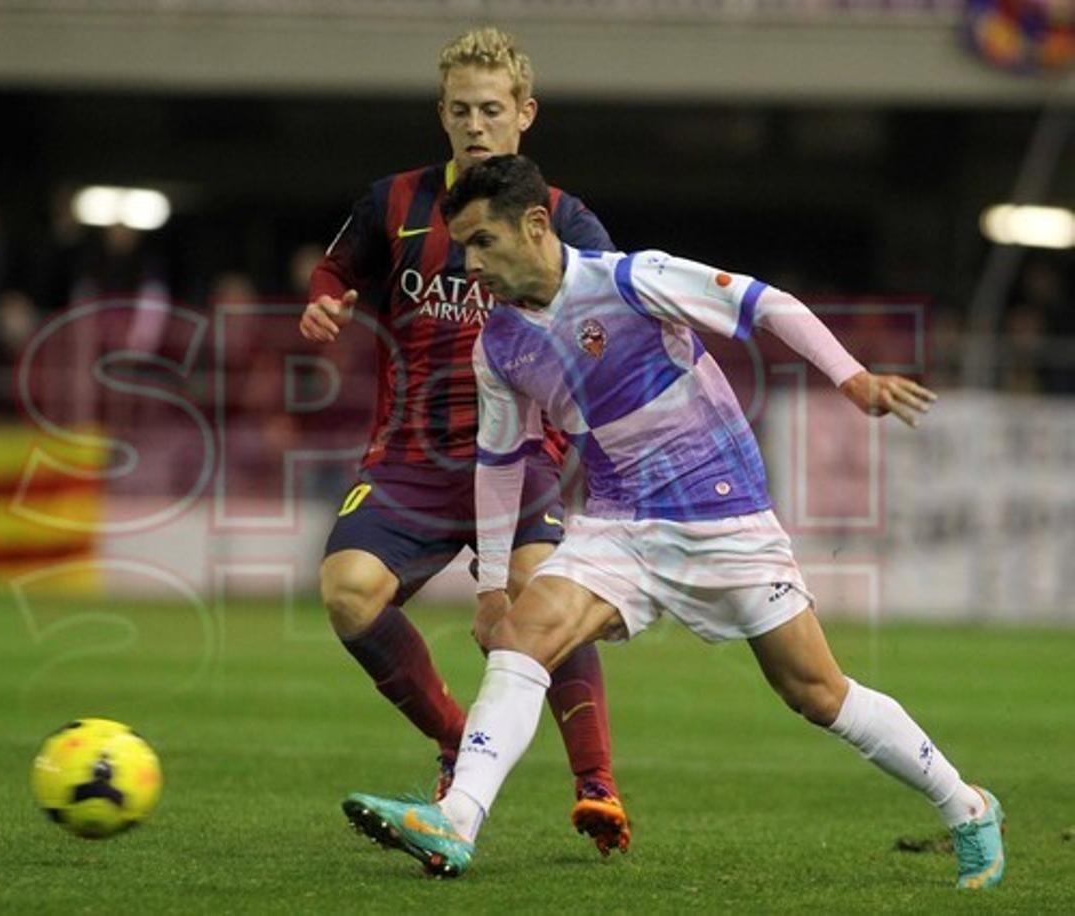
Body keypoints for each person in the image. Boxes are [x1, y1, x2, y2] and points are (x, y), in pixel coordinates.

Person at [342, 155, 1005, 890]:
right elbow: (500, 461)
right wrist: (493, 585)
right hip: (620, 526)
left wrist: (852, 377)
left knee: (816, 692)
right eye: (461, 246)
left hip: (726, 520)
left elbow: (768, 303)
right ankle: (456, 819)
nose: (470, 265)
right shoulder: (498, 343)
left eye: (482, 242)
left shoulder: (630, 278)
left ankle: (969, 807)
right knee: (525, 636)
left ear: (535, 225)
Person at [301, 28, 630, 853]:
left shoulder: (563, 219)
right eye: (460, 110)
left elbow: (613, 315)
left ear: (525, 115)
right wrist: (325, 300)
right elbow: (336, 270)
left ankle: (596, 784)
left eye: (491, 109)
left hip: (525, 461)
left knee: (541, 597)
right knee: (347, 591)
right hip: (410, 458)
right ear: (441, 115)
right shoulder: (396, 203)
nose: (475, 125)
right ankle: (456, 739)